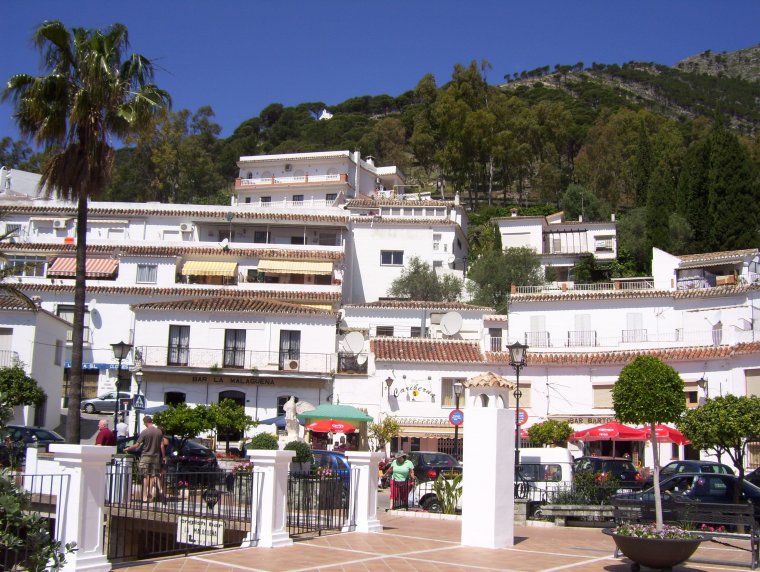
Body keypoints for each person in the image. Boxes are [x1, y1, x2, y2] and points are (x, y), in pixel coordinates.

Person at [126, 415, 166, 502]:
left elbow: (137, 445)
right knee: (152, 476)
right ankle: (150, 494)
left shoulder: (145, 432)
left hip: (146, 456)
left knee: (145, 476)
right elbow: (161, 445)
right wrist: (163, 457)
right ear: (151, 421)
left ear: (145, 422)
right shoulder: (159, 432)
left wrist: (128, 448)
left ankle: (144, 496)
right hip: (156, 457)